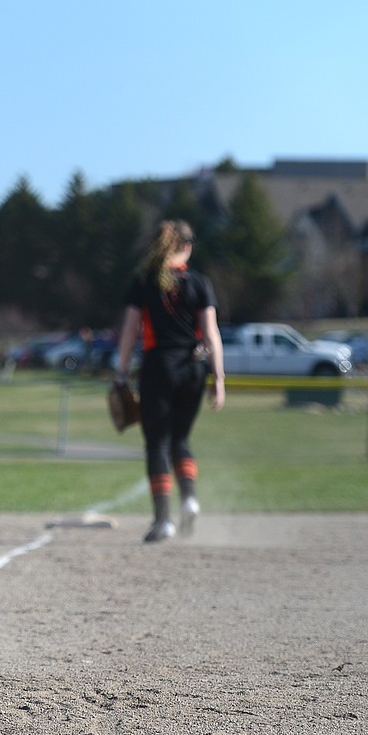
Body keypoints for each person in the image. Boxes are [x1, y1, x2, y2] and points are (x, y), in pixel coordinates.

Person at [114, 219, 225, 544]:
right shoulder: (200, 283)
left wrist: (120, 372)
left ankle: (163, 520)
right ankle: (189, 499)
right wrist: (218, 378)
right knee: (181, 439)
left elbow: (130, 331)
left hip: (159, 367)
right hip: (193, 368)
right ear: (187, 248)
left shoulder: (145, 282)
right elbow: (211, 334)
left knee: (157, 443)